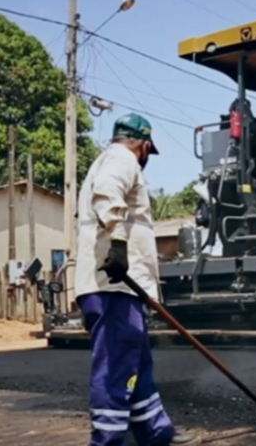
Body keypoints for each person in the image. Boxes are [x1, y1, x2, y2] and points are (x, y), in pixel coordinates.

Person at [75, 113, 198, 446]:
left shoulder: (105, 159)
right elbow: (108, 194)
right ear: (143, 145)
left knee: (137, 364)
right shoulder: (121, 159)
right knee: (116, 367)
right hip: (113, 285)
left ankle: (155, 432)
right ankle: (107, 440)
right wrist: (117, 244)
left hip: (121, 287)